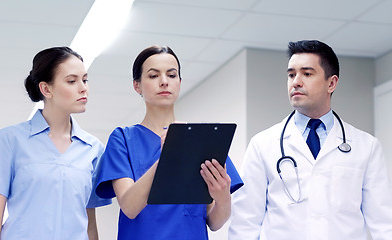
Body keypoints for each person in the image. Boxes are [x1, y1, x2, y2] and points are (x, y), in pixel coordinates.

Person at [228, 40, 392, 239]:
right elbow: (245, 222)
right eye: (291, 74)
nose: (296, 81)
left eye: (307, 73)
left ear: (331, 83)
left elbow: (383, 223)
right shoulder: (262, 144)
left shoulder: (366, 147)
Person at [95, 45, 243, 239]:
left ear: (180, 82)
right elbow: (129, 207)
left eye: (172, 75)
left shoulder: (200, 139)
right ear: (137, 85)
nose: (164, 82)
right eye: (153, 75)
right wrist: (167, 157)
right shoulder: (123, 139)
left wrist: (223, 198)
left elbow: (215, 222)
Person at [0, 46, 111, 240]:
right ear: (46, 88)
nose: (83, 87)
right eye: (72, 81)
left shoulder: (93, 149)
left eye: (85, 79)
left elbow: (89, 225)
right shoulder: (9, 140)